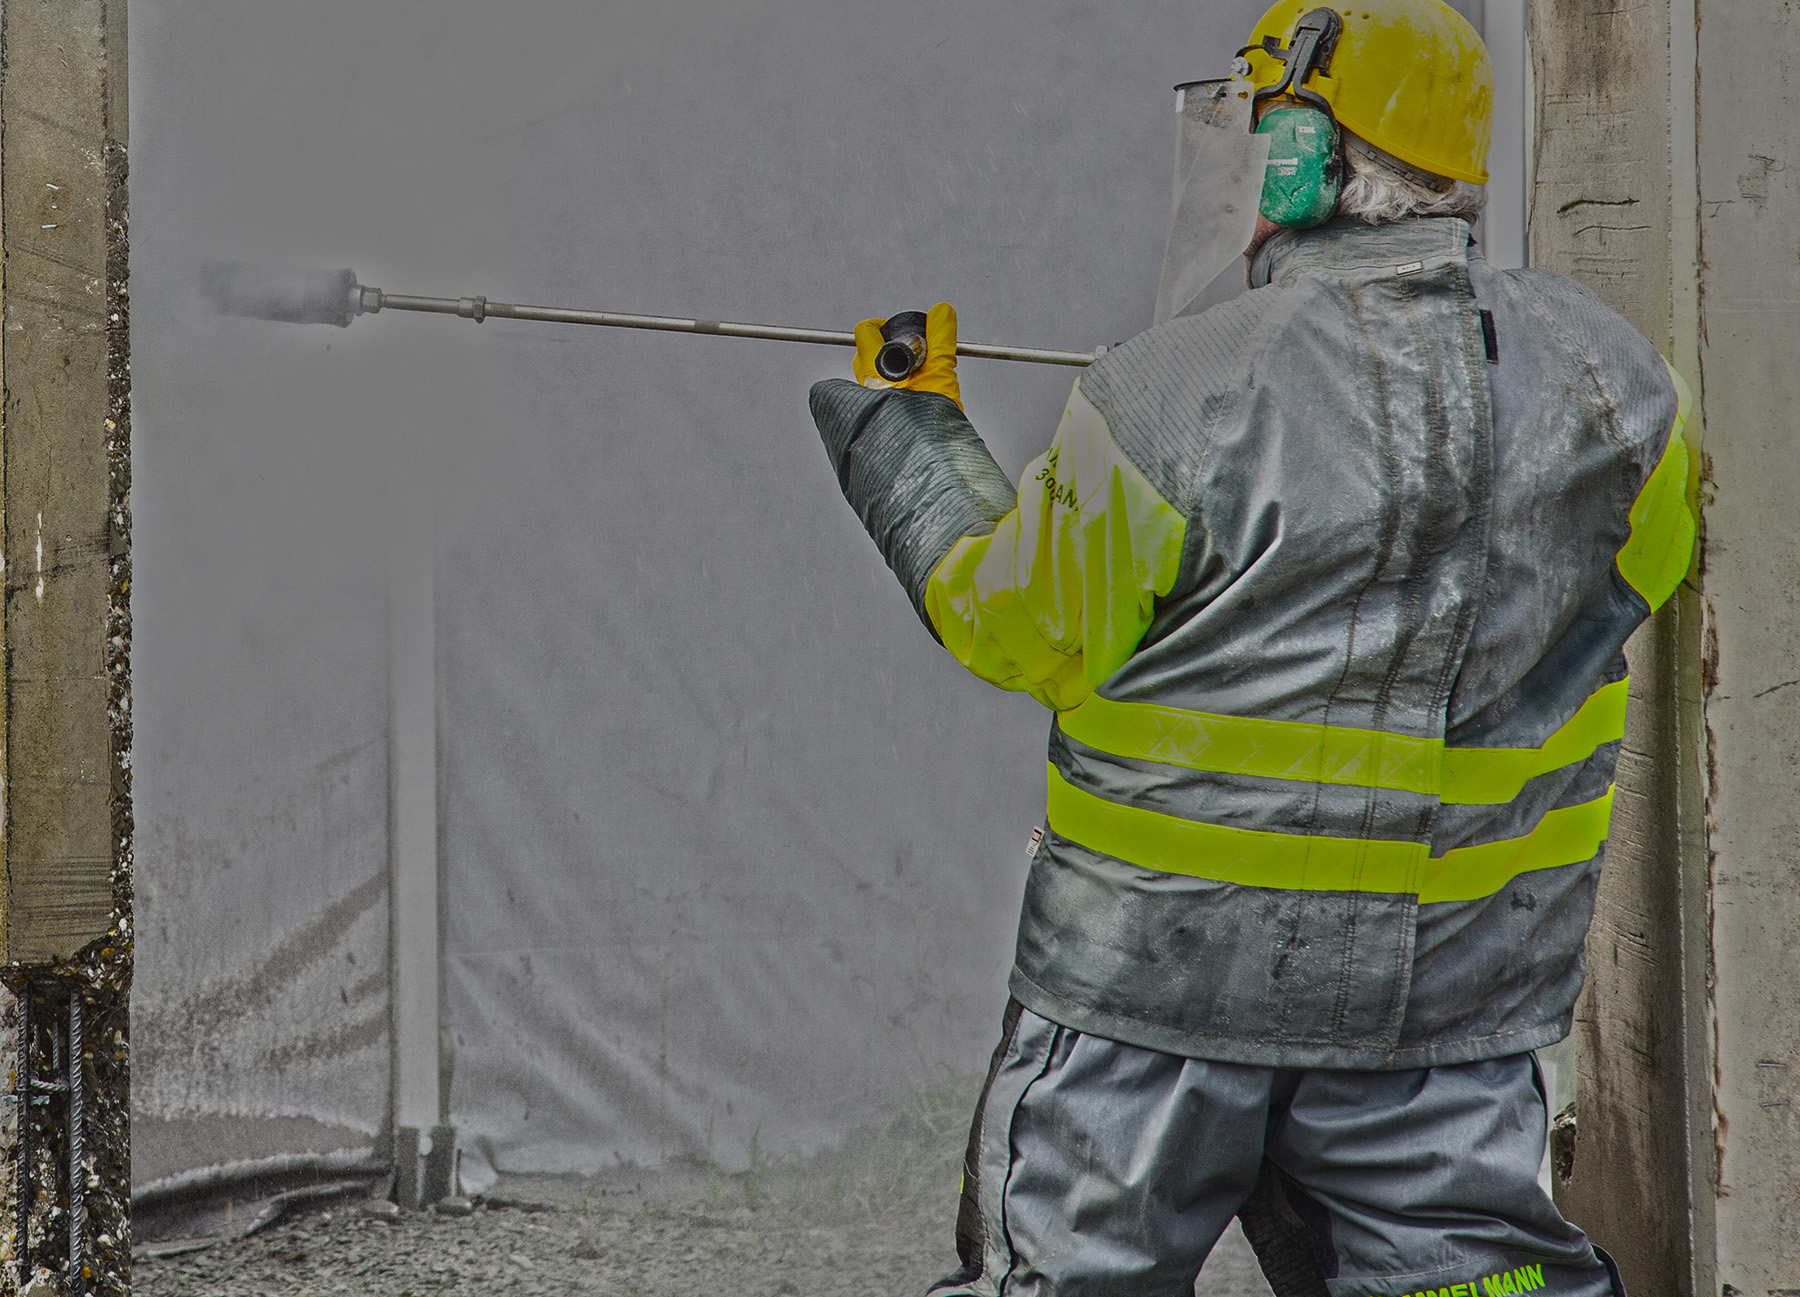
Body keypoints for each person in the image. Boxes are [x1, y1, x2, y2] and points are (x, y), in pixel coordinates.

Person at [808, 2, 1694, 1293]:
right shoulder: (1623, 390)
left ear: (1302, 156)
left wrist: (909, 436)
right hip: (1448, 1002)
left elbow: (1018, 627)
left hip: (1154, 1002)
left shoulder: (1170, 391)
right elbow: (1639, 577)